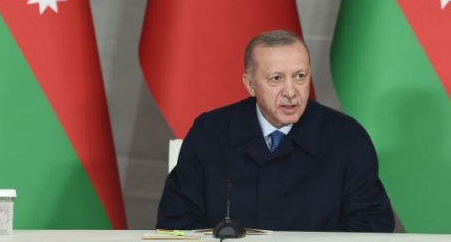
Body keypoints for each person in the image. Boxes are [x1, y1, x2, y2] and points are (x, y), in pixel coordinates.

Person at [156, 30, 394, 232]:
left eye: (300, 77)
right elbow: (176, 220)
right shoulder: (210, 132)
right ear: (250, 84)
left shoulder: (347, 137)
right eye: (276, 79)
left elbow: (371, 224)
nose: (291, 92)